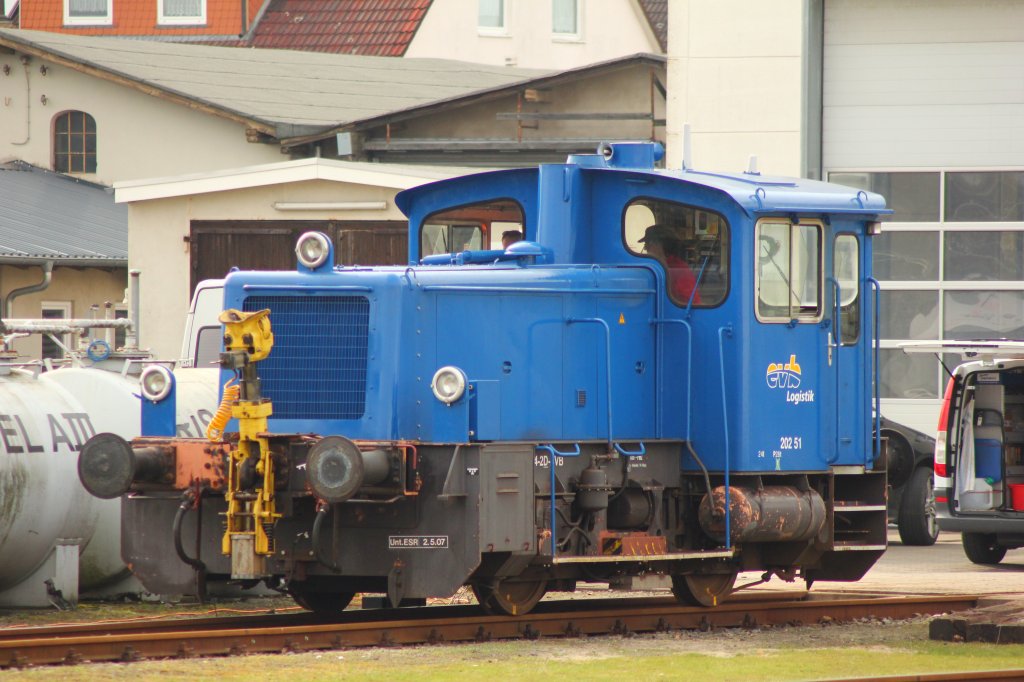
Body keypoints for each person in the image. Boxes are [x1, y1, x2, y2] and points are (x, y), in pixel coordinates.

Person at [638, 224, 701, 304]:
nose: (646, 249)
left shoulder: (678, 268)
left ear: (656, 245)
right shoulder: (657, 266)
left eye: (646, 245)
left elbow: (690, 302)